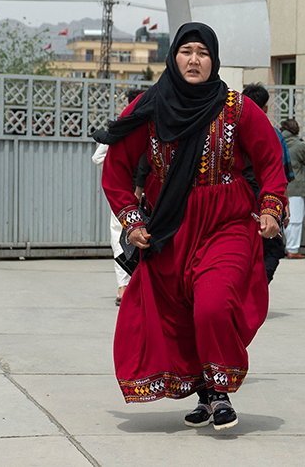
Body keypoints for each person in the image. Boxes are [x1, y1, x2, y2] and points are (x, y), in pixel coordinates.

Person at [96, 22, 287, 431]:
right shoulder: (149, 107)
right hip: (171, 227)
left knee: (214, 304)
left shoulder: (236, 107)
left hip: (227, 222)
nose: (195, 59)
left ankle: (219, 392)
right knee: (180, 314)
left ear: (213, 59)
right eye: (187, 51)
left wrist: (271, 208)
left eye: (203, 52)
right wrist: (131, 221)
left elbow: (270, 160)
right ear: (174, 57)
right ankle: (203, 391)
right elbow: (116, 169)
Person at [92, 88, 149, 303]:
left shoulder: (122, 129)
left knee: (120, 238)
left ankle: (124, 287)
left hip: (124, 198)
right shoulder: (157, 126)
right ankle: (138, 287)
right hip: (150, 195)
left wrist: (117, 172)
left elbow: (97, 158)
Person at [242, 82, 293, 281]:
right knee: (271, 250)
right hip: (266, 202)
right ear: (265, 107)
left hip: (236, 200)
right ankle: (256, 289)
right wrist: (284, 204)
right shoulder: (274, 135)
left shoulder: (230, 132)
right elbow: (281, 174)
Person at [282, 119, 305, 260]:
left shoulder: (278, 140)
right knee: (295, 220)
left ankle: (284, 246)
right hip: (295, 185)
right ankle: (293, 249)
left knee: (284, 218)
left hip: (279, 185)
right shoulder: (299, 145)